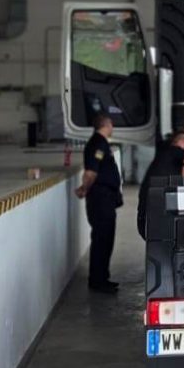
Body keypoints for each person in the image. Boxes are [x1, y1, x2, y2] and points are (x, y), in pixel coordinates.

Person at [76, 112, 123, 294]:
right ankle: (97, 280)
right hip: (100, 198)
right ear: (107, 125)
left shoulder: (100, 142)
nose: (112, 128)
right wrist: (84, 188)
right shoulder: (97, 143)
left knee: (106, 239)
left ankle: (102, 277)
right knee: (102, 239)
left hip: (105, 198)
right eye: (111, 124)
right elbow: (91, 172)